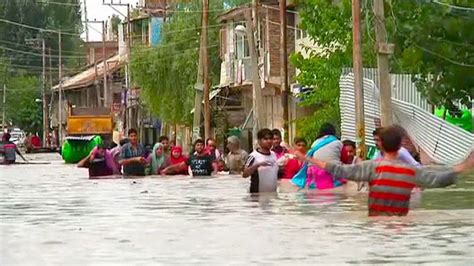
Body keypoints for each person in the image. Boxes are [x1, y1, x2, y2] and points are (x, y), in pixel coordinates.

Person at [298, 125, 474, 216]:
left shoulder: (372, 168)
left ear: (380, 144)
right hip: (402, 226)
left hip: (377, 226)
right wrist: (464, 166)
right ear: (400, 146)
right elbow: (438, 179)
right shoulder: (410, 173)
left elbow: (340, 170)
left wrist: (307, 158)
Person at [292, 123, 345, 190]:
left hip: (314, 174)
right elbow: (344, 159)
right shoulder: (338, 142)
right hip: (330, 172)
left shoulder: (315, 143)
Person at [243, 128, 279, 193]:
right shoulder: (253, 156)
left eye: (270, 139)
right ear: (259, 141)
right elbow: (245, 174)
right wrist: (257, 165)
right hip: (257, 196)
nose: (269, 141)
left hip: (272, 195)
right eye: (265, 139)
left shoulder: (273, 155)